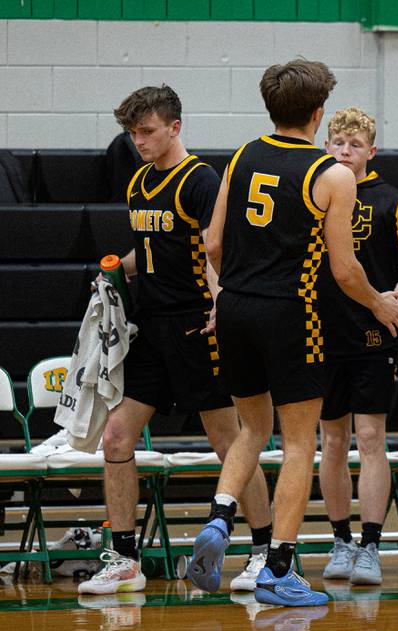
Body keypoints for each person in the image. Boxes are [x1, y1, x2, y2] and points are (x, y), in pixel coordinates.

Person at [186, 60, 398, 607]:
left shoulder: (242, 155)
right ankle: (279, 569)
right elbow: (344, 270)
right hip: (292, 313)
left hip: (236, 307)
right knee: (297, 444)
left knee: (250, 428)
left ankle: (220, 518)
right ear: (318, 114)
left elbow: (212, 243)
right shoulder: (333, 174)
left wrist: (225, 296)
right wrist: (380, 304)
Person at [78, 86, 272, 595]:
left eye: (146, 131)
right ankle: (124, 558)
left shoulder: (202, 179)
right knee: (116, 437)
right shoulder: (139, 182)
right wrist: (119, 269)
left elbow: (217, 248)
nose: (138, 141)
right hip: (151, 328)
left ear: (174, 127)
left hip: (197, 325)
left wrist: (219, 305)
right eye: (132, 133)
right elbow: (153, 246)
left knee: (229, 441)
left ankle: (264, 551)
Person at [317, 107, 398, 585]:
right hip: (321, 334)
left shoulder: (393, 200)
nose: (345, 151)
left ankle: (370, 545)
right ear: (326, 146)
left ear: (371, 151)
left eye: (354, 144)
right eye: (337, 142)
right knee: (332, 442)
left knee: (370, 439)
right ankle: (340, 541)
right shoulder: (314, 193)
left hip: (372, 334)